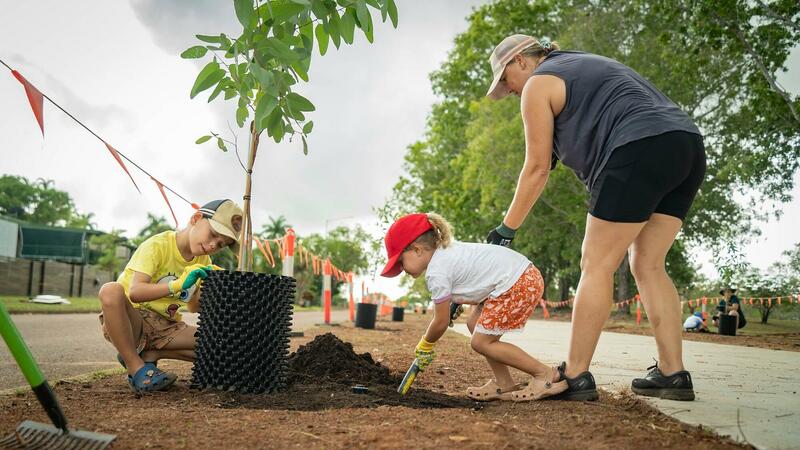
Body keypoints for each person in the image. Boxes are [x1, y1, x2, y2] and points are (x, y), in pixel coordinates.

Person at [484, 35, 705, 401]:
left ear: (522, 61)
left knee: (596, 263)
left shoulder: (537, 84)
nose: (508, 91)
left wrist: (506, 230)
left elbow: (537, 169)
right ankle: (672, 374)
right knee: (648, 264)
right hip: (685, 145)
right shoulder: (582, 64)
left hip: (637, 146)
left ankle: (574, 375)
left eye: (506, 80)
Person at [380, 213, 566, 401]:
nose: (402, 269)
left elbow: (441, 321)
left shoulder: (436, 273)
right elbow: (474, 276)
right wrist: (459, 300)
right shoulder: (447, 251)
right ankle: (505, 383)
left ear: (417, 249)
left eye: (401, 262)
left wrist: (425, 344)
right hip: (523, 276)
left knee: (481, 342)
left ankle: (544, 375)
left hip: (517, 284)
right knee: (474, 324)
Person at [98, 199, 242, 393]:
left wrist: (217, 288)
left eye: (221, 244)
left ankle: (149, 353)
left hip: (166, 327)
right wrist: (177, 285)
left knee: (223, 346)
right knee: (110, 290)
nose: (213, 245)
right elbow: (136, 292)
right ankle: (136, 368)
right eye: (214, 234)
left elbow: (193, 307)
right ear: (196, 218)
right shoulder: (158, 246)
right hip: (133, 322)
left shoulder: (203, 259)